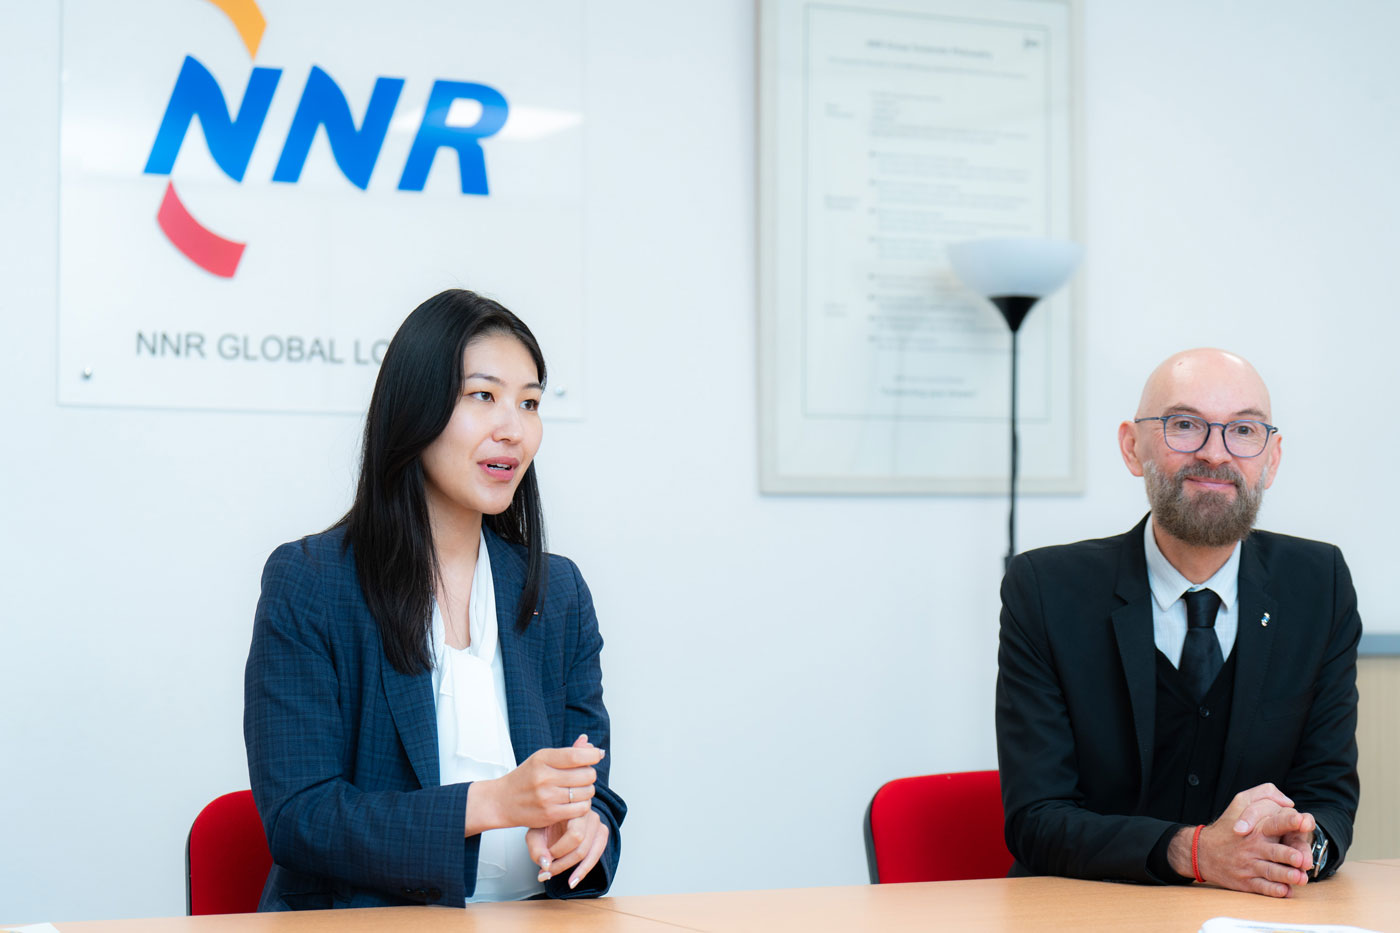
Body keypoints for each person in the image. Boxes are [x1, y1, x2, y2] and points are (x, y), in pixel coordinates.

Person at [244, 289, 624, 909]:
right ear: (415, 409)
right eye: (483, 396)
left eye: (529, 403)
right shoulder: (312, 582)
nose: (513, 429)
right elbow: (299, 816)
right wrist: (493, 803)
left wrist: (585, 829)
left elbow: (593, 790)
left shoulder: (559, 593)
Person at [995, 348, 1359, 898]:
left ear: (1272, 459)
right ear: (1132, 447)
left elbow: (1328, 795)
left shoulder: (1318, 584)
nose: (1215, 453)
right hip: (1084, 907)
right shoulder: (1045, 590)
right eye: (1184, 425)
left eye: (1243, 430)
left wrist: (1301, 844)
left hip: (1255, 910)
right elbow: (1036, 818)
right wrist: (1196, 852)